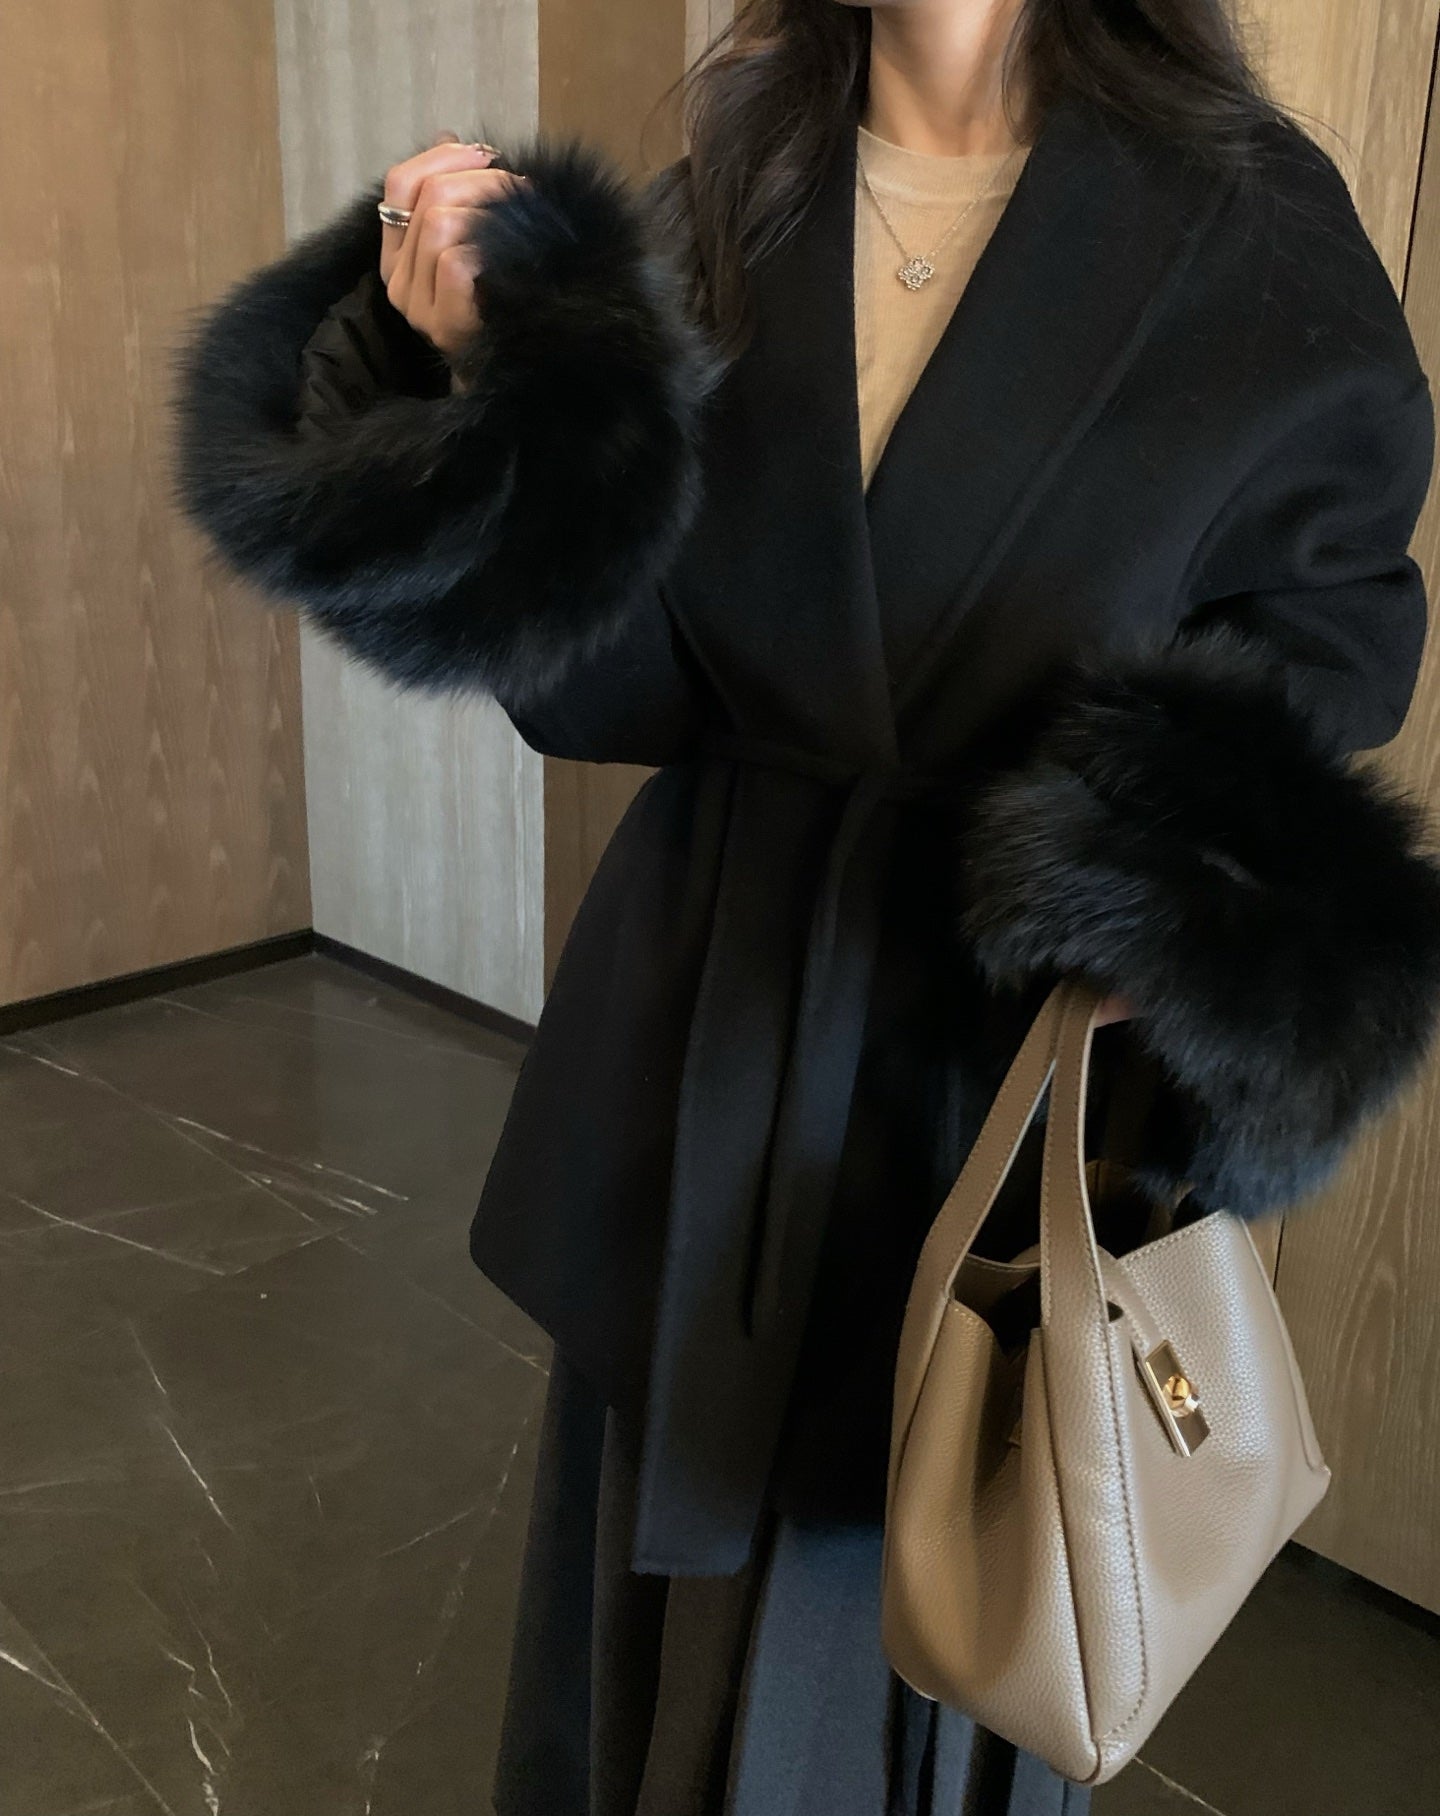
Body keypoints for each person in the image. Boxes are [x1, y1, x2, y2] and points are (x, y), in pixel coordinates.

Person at [170, 2, 1440, 1811]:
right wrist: (488, 391)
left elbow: (1332, 633)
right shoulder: (724, 202)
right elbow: (599, 689)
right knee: (642, 1635)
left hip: (981, 1067)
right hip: (705, 1032)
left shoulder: (1253, 225)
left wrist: (1160, 880)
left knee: (929, 1613)